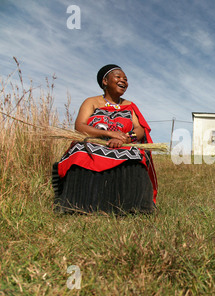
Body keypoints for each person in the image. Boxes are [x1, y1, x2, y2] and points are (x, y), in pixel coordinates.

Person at [52, 64, 158, 214]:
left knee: (134, 155)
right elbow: (80, 126)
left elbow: (140, 129)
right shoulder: (91, 102)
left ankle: (129, 207)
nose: (124, 81)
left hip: (123, 144)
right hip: (95, 142)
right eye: (118, 77)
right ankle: (78, 205)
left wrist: (126, 139)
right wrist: (109, 134)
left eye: (126, 79)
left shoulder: (129, 106)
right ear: (105, 81)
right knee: (80, 152)